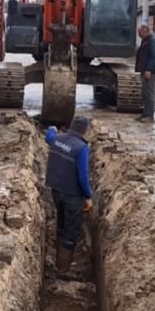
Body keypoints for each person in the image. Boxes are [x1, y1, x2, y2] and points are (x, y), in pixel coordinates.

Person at [45, 116, 93, 276]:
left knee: (61, 221)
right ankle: (63, 268)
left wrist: (52, 128)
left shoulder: (57, 139)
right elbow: (83, 176)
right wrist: (88, 196)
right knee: (71, 230)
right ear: (84, 130)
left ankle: (59, 257)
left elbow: (49, 136)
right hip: (72, 194)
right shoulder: (81, 148)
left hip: (56, 190)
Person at [135, 24, 155, 123]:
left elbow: (153, 56)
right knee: (145, 93)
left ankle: (149, 116)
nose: (139, 35)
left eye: (140, 33)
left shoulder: (152, 41)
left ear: (145, 31)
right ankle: (145, 114)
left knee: (149, 93)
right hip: (145, 70)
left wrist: (148, 70)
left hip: (150, 71)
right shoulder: (146, 41)